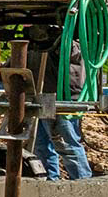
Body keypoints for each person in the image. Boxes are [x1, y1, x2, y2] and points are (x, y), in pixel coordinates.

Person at [34, 39, 93, 180]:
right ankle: (50, 182)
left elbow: (71, 55)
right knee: (41, 146)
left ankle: (83, 184)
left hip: (62, 99)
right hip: (40, 98)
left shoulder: (70, 40)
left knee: (67, 146)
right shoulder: (35, 42)